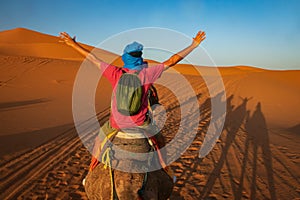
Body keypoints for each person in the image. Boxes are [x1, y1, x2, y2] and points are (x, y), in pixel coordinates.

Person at [59, 30, 206, 199]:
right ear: (140, 58)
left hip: (115, 125)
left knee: (99, 141)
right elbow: (172, 61)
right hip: (142, 125)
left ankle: (90, 174)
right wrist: (193, 45)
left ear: (125, 58)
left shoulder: (115, 73)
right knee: (160, 143)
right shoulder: (147, 74)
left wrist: (73, 44)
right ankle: (167, 172)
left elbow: (92, 59)